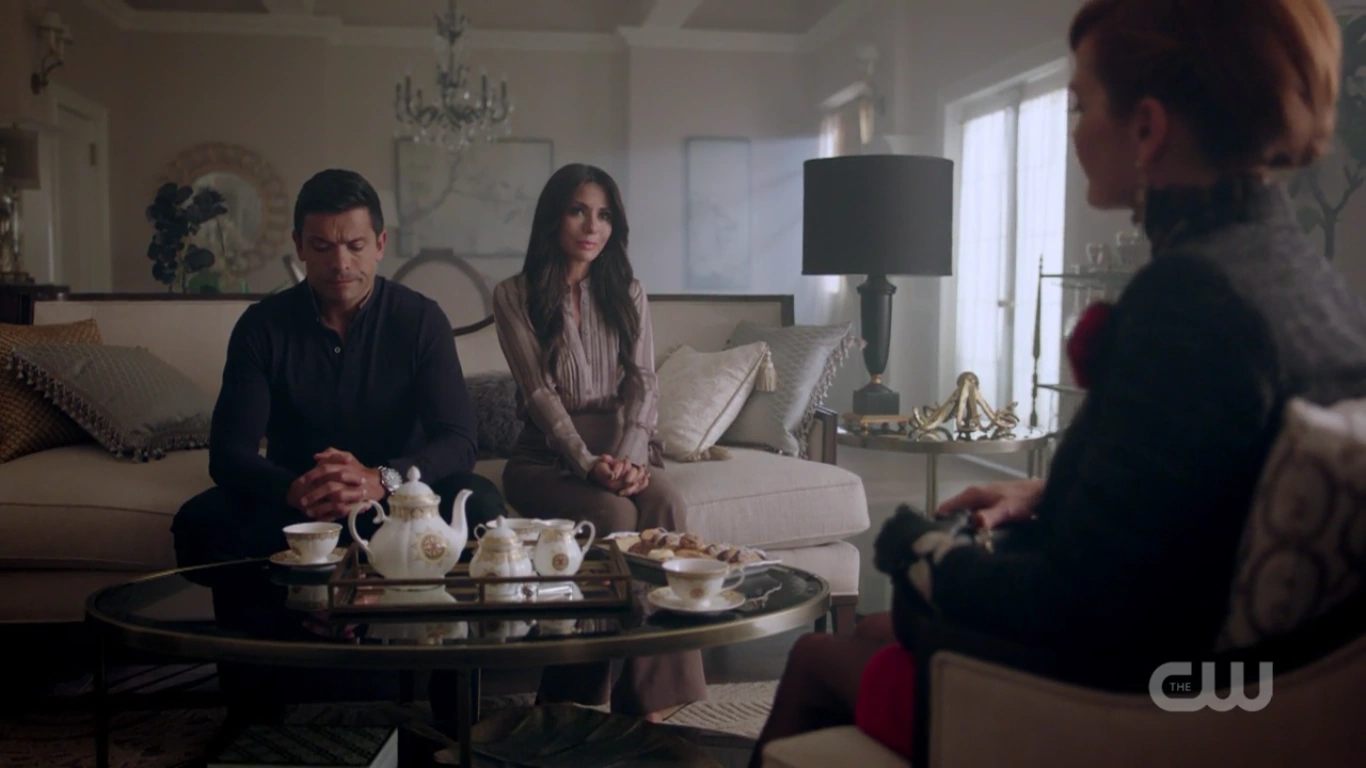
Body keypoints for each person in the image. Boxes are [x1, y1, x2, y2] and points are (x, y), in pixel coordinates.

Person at [752, 0, 1366, 763]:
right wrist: (1048, 493)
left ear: (1147, 128)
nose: (1073, 133)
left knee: (822, 651)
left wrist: (917, 549)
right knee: (874, 629)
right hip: (1220, 677)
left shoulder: (1193, 297)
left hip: (1126, 705)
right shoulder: (1308, 282)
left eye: (1079, 105)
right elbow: (1215, 485)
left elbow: (1081, 607)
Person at [172, 167, 506, 569]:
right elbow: (228, 454)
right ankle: (282, 607)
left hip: (399, 505)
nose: (340, 263)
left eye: (355, 245)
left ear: (380, 244)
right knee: (199, 524)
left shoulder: (421, 320)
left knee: (481, 504)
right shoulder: (262, 326)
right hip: (300, 507)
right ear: (299, 246)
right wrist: (296, 489)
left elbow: (459, 439)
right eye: (322, 246)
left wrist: (381, 479)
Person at [492, 162, 705, 720]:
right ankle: (575, 698)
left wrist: (630, 458)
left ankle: (650, 703)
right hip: (546, 455)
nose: (593, 227)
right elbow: (538, 393)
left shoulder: (628, 291)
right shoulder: (513, 295)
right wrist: (588, 464)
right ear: (553, 217)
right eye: (578, 211)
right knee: (611, 515)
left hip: (623, 446)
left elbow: (644, 382)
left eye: (605, 215)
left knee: (665, 502)